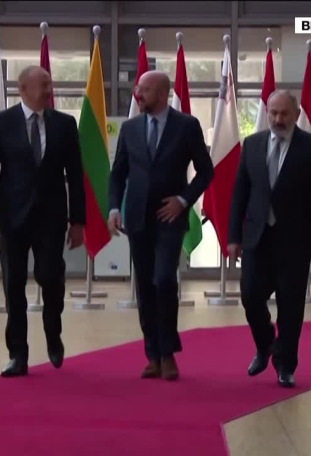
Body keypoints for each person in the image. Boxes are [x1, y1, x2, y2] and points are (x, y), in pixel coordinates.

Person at [0, 65, 86, 377]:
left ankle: (53, 332)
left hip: (51, 219)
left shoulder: (65, 124)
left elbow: (75, 175)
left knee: (51, 277)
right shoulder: (0, 123)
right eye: (44, 85)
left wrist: (78, 221)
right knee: (13, 285)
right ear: (23, 89)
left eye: (50, 84)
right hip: (11, 219)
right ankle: (17, 354)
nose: (50, 91)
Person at [108, 71, 214, 381]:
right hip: (137, 217)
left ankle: (168, 353)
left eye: (144, 90)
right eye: (137, 89)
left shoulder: (187, 126)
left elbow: (206, 172)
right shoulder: (129, 129)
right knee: (144, 285)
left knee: (164, 279)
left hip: (171, 216)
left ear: (162, 93)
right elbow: (118, 174)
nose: (138, 94)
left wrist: (183, 200)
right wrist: (114, 208)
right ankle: (153, 355)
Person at [227, 89, 311, 388]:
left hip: (294, 241)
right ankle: (265, 346)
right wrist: (233, 236)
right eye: (273, 113)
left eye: (284, 113)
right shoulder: (252, 144)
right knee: (250, 295)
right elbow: (240, 194)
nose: (278, 119)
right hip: (256, 239)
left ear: (296, 115)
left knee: (291, 306)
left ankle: (286, 365)